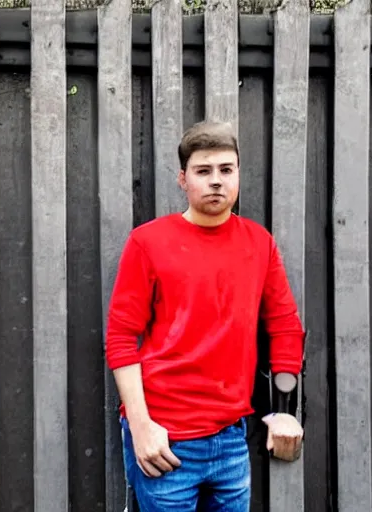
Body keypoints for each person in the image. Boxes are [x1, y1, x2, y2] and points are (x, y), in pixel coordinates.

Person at [105, 120, 305, 511]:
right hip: (166, 441)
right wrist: (142, 427)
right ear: (183, 179)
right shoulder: (149, 242)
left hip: (231, 439)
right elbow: (121, 337)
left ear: (238, 175)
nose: (216, 181)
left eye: (226, 170)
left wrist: (284, 412)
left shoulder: (258, 243)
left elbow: (284, 326)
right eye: (203, 171)